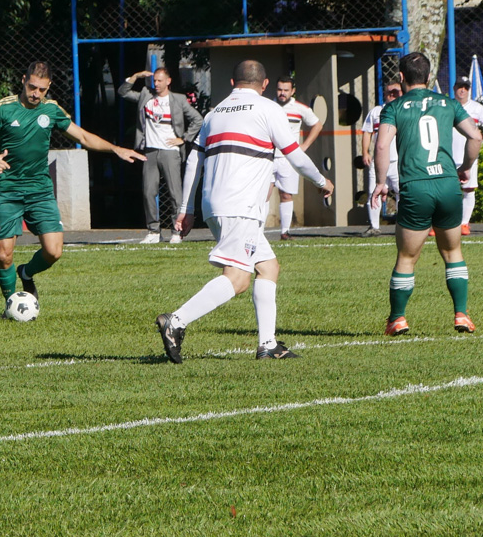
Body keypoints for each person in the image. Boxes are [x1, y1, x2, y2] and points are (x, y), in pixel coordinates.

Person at [156, 60, 334, 362]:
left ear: (232, 83)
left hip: (214, 204)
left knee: (268, 267)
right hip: (241, 206)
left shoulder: (214, 114)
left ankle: (268, 344)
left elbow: (194, 161)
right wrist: (322, 181)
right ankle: (176, 320)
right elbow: (294, 155)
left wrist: (186, 209)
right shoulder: (269, 109)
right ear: (264, 85)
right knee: (238, 278)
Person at [0, 61, 144, 306]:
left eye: (42, 89)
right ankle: (12, 304)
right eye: (32, 87)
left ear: (49, 87)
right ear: (23, 81)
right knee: (4, 255)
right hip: (8, 190)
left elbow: (83, 136)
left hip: (40, 191)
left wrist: (115, 148)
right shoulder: (4, 107)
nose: (36, 94)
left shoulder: (51, 110)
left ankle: (26, 273)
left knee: (54, 251)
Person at [372, 52, 483, 335]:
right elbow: (476, 136)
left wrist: (381, 182)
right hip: (447, 184)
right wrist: (465, 167)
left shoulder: (394, 107)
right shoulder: (449, 103)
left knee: (407, 257)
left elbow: (382, 145)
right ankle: (461, 314)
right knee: (452, 251)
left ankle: (397, 319)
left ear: (401, 77)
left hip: (416, 186)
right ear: (429, 76)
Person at [119, 66, 202, 243]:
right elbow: (123, 92)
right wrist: (135, 75)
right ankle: (153, 231)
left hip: (170, 151)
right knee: (149, 191)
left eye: (159, 81)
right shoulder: (146, 95)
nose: (156, 84)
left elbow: (198, 119)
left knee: (175, 193)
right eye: (154, 80)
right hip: (150, 150)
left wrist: (184, 138)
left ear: (168, 81)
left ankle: (176, 231)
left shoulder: (178, 99)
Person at [271, 77, 324, 239]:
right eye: (280, 89)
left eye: (286, 90)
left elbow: (317, 125)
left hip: (288, 159)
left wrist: (304, 146)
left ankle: (285, 232)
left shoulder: (300, 108)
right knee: (263, 194)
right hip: (268, 157)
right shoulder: (268, 106)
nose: (282, 93)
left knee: (286, 194)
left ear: (293, 91)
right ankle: (257, 232)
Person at [357, 80, 404, 236]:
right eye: (389, 92)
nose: (392, 95)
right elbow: (367, 132)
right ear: (384, 93)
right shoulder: (376, 112)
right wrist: (365, 152)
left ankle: (403, 226)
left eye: (395, 92)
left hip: (398, 161)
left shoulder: (405, 110)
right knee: (373, 192)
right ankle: (374, 226)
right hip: (378, 161)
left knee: (402, 193)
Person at [453, 78, 483, 235]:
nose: (462, 90)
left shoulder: (477, 108)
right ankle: (441, 224)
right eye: (459, 87)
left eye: (466, 87)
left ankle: (464, 223)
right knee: (445, 191)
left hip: (469, 157)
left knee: (468, 190)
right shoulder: (448, 106)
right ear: (454, 88)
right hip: (448, 155)